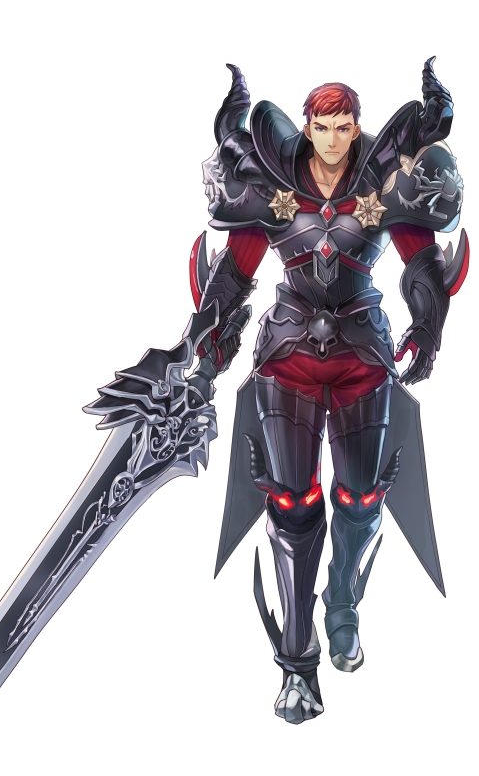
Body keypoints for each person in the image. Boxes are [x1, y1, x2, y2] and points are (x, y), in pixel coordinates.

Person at [189, 59, 468, 724]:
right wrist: (208, 339)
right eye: (323, 126)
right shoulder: (271, 183)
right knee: (290, 502)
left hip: (360, 353)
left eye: (345, 127)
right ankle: (296, 665)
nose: (335, 138)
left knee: (361, 493)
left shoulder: (384, 184)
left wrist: (427, 328)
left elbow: (420, 262)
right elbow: (235, 272)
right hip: (287, 353)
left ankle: (341, 600)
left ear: (357, 127)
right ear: (308, 126)